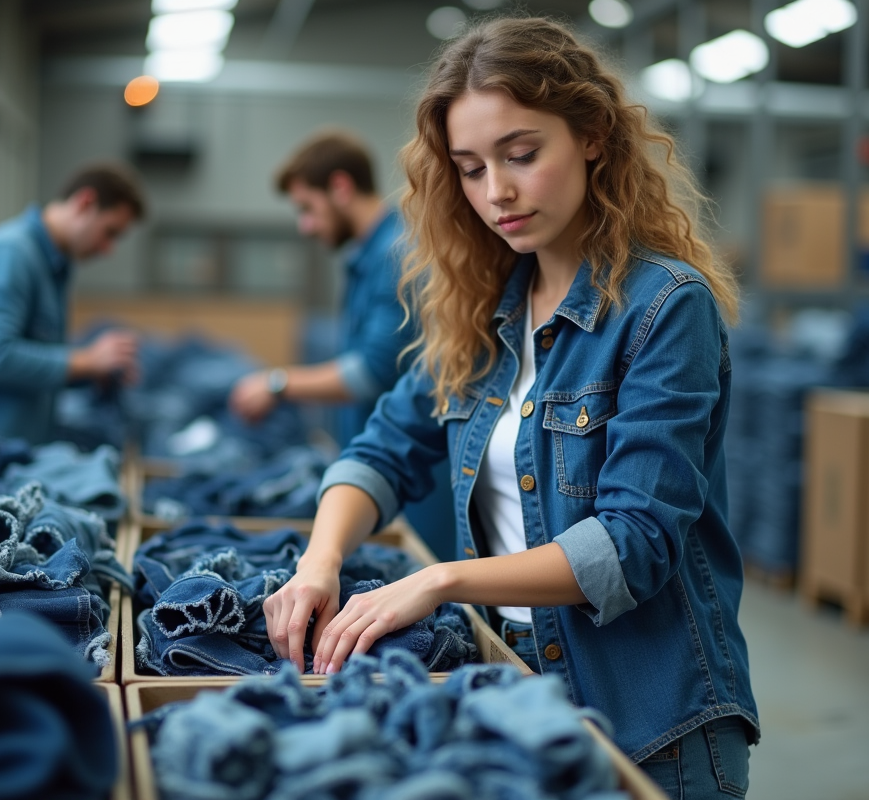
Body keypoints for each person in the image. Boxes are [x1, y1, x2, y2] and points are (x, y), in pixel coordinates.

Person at [261, 17, 759, 799]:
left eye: (522, 154)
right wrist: (319, 564)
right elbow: (383, 450)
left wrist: (442, 581)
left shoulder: (665, 309)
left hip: (650, 720)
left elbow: (634, 544)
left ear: (593, 137)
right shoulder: (486, 310)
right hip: (515, 695)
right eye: (469, 168)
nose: (497, 190)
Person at [0, 162, 145, 443]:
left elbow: (30, 360)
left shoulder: (52, 265)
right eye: (109, 233)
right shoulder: (11, 254)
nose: (108, 249)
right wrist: (86, 360)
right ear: (85, 203)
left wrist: (91, 372)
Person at [227, 130, 409, 449]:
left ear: (340, 187)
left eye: (307, 208)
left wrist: (276, 384)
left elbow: (372, 372)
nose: (305, 226)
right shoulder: (367, 256)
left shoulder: (396, 253)